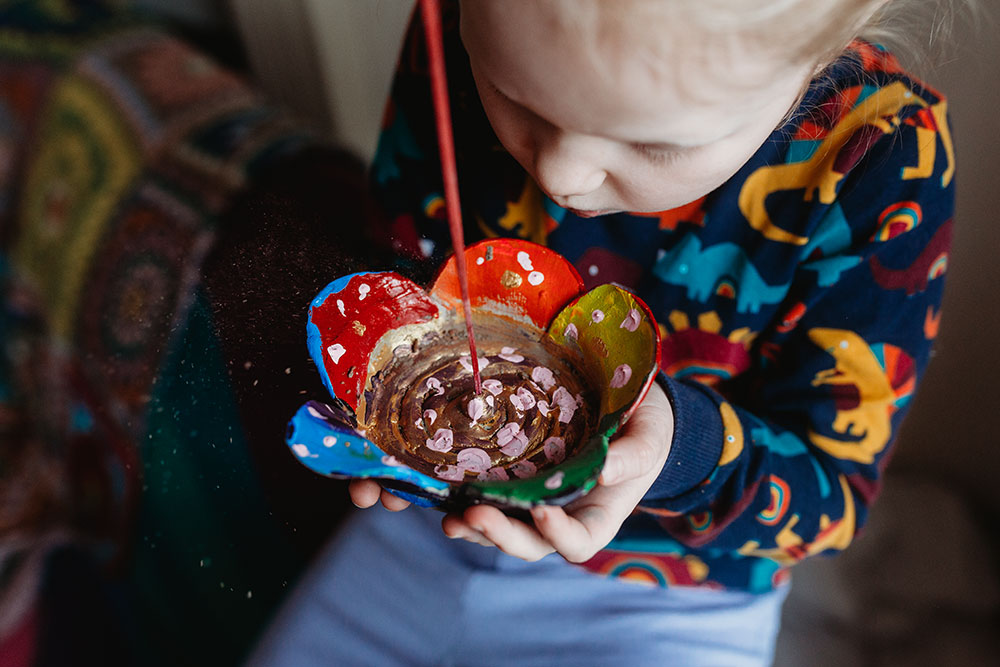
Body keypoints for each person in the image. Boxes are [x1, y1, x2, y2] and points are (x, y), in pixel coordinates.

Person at [249, 0, 958, 664]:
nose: (562, 173)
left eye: (652, 144)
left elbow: (830, 495)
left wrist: (675, 449)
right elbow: (402, 276)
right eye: (515, 94)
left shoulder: (886, 157)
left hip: (675, 592)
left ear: (813, 63)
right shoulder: (451, 22)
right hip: (421, 537)